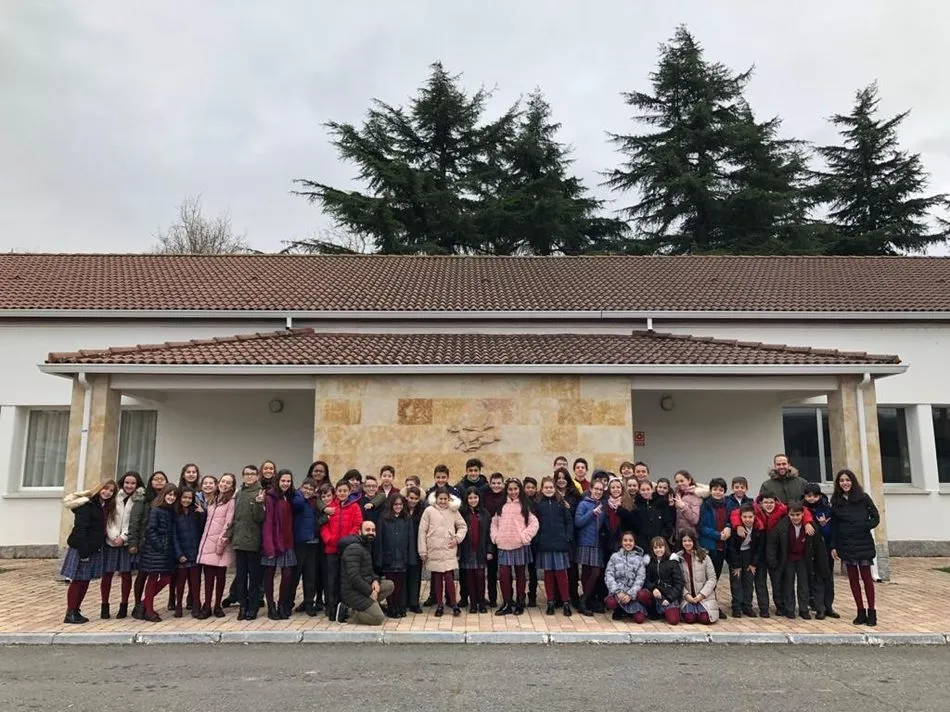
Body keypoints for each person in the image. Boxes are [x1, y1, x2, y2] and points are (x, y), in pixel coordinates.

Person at [830, 469, 881, 627]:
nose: (845, 483)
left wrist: (865, 526)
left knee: (866, 578)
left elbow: (875, 517)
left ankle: (872, 611)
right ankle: (860, 611)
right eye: (842, 481)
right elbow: (834, 526)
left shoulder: (863, 498)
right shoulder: (836, 501)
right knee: (853, 579)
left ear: (853, 481)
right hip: (846, 543)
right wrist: (834, 546)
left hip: (863, 542)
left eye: (847, 480)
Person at [767, 501, 828, 620]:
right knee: (788, 583)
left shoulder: (810, 526)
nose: (795, 517)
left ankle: (803, 609)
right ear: (788, 515)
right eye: (792, 515)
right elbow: (772, 543)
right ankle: (790, 609)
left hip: (803, 559)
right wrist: (772, 560)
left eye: (798, 515)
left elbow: (818, 545)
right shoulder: (781, 526)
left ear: (802, 514)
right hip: (788, 558)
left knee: (803, 584)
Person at [61, 481, 112, 624]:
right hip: (82, 548)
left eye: (111, 491)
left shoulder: (102, 506)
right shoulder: (87, 505)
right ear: (99, 489)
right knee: (77, 581)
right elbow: (80, 529)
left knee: (85, 580)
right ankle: (70, 612)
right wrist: (83, 552)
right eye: (105, 489)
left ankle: (76, 610)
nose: (107, 492)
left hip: (93, 548)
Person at [490, 479, 539, 616]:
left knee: (520, 575)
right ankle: (507, 602)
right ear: (507, 490)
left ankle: (520, 601)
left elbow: (534, 523)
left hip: (519, 545)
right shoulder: (501, 505)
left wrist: (525, 536)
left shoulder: (525, 505)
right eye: (510, 489)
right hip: (504, 545)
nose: (513, 492)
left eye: (515, 489)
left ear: (520, 490)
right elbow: (494, 523)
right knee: (504, 575)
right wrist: (496, 537)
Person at [418, 486, 467, 617]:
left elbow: (462, 526)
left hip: (448, 548)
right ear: (436, 498)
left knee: (449, 577)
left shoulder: (453, 511)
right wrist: (422, 550)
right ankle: (439, 604)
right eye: (441, 498)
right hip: (433, 549)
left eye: (445, 499)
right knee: (437, 578)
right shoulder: (429, 511)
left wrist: (457, 539)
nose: (443, 501)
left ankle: (454, 604)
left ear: (449, 499)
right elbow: (422, 531)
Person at [99, 471, 141, 619]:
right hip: (110, 541)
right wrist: (112, 536)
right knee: (107, 574)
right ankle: (104, 605)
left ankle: (123, 606)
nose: (129, 485)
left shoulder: (138, 500)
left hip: (126, 542)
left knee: (126, 574)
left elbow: (135, 522)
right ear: (122, 483)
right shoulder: (114, 497)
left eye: (133, 483)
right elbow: (107, 519)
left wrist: (123, 537)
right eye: (127, 482)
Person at [321, 478, 363, 619]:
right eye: (340, 491)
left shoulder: (354, 506)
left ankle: (343, 609)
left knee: (345, 581)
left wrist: (346, 541)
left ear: (349, 491)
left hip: (347, 550)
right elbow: (324, 526)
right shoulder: (330, 506)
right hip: (331, 550)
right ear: (335, 492)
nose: (342, 493)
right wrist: (329, 539)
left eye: (345, 490)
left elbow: (357, 525)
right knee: (331, 580)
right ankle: (331, 609)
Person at [337, 521, 394, 625]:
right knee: (378, 618)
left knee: (389, 585)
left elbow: (369, 570)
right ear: (359, 532)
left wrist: (375, 581)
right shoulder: (354, 548)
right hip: (352, 593)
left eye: (373, 530)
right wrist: (370, 592)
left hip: (363, 587)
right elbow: (353, 577)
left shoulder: (365, 545)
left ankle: (371, 606)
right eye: (367, 530)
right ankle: (348, 612)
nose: (371, 532)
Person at [196, 473, 236, 619]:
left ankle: (217, 605)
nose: (224, 484)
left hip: (221, 544)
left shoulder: (230, 501)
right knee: (208, 578)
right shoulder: (213, 499)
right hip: (207, 544)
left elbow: (228, 523)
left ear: (232, 486)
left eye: (228, 483)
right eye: (223, 481)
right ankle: (207, 605)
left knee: (220, 577)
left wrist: (221, 543)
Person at [128, 471, 168, 619]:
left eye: (162, 479)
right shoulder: (143, 499)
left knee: (161, 576)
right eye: (155, 479)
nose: (159, 482)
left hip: (161, 545)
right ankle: (138, 603)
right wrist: (133, 542)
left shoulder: (168, 498)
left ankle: (144, 603)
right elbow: (135, 521)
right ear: (150, 482)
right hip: (144, 543)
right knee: (142, 575)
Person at [230, 465, 266, 621]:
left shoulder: (260, 492)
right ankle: (243, 605)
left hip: (253, 542)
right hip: (239, 541)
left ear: (257, 476)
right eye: (246, 474)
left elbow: (260, 519)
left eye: (252, 474)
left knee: (254, 577)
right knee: (241, 576)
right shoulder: (239, 493)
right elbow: (234, 517)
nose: (249, 477)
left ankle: (253, 607)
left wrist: (259, 503)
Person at [138, 484, 179, 622]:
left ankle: (143, 604)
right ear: (163, 494)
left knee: (166, 578)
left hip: (166, 551)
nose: (172, 497)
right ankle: (148, 610)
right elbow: (150, 530)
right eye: (169, 494)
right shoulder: (156, 510)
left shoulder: (170, 511)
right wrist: (160, 545)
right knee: (153, 578)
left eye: (174, 495)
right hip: (155, 550)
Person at [534, 476, 573, 616]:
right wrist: (538, 539)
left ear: (554, 488)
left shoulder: (561, 503)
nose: (549, 490)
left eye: (551, 487)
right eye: (546, 487)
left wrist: (568, 537)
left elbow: (569, 521)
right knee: (548, 575)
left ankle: (565, 602)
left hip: (560, 543)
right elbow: (535, 523)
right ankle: (550, 601)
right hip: (544, 543)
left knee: (561, 574)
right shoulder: (538, 504)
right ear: (542, 489)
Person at [262, 469, 298, 620]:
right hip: (272, 541)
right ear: (278, 481)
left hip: (287, 541)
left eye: (288, 481)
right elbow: (268, 522)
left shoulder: (288, 497)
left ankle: (282, 604)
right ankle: (271, 606)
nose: (285, 483)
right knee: (269, 575)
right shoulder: (270, 497)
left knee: (287, 574)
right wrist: (269, 545)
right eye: (283, 481)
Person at [291, 477, 327, 616]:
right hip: (299, 543)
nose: (308, 491)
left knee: (310, 577)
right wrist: (300, 494)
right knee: (295, 576)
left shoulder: (315, 503)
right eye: (305, 488)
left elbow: (318, 521)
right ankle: (289, 602)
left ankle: (309, 603)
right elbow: (297, 505)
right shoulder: (297, 500)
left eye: (311, 489)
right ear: (301, 487)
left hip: (313, 544)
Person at [374, 493, 413, 618]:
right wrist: (379, 559)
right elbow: (379, 540)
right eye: (396, 504)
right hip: (388, 558)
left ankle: (399, 606)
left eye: (400, 504)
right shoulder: (383, 519)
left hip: (402, 557)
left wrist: (410, 558)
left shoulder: (407, 519)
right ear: (391, 505)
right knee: (391, 584)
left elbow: (410, 539)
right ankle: (391, 607)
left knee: (400, 584)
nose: (398, 507)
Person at [803, 482, 839, 618]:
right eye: (808, 496)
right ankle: (819, 608)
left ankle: (829, 606)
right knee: (816, 578)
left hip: (826, 547)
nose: (811, 498)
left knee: (828, 578)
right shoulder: (802, 509)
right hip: (810, 549)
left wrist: (823, 525)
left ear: (819, 496)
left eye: (814, 496)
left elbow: (832, 530)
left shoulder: (826, 508)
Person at [698, 477, 731, 619]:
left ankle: (713, 604)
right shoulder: (705, 505)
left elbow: (730, 520)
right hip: (709, 546)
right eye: (715, 489)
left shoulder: (727, 504)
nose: (718, 492)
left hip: (722, 547)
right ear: (710, 490)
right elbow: (701, 527)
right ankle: (707, 605)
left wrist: (729, 528)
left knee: (716, 578)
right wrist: (718, 535)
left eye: (721, 490)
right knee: (708, 578)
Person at [573, 479, 607, 616]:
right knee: (588, 572)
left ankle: (586, 599)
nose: (598, 492)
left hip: (597, 543)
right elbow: (578, 522)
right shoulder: (584, 504)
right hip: (586, 541)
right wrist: (592, 513)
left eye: (601, 490)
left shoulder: (603, 505)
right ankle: (584, 601)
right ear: (591, 489)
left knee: (594, 572)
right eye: (596, 489)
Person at [171, 487, 205, 618]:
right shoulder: (175, 513)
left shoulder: (195, 512)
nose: (187, 500)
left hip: (195, 552)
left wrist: (202, 514)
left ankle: (196, 605)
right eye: (184, 497)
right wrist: (179, 554)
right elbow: (173, 535)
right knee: (180, 582)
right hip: (182, 554)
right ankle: (178, 605)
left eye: (189, 498)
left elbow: (202, 530)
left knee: (195, 582)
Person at [458, 487, 491, 614]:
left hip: (480, 550)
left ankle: (481, 602)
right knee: (469, 578)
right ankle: (472, 603)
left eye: (475, 497)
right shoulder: (462, 514)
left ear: (479, 498)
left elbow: (488, 534)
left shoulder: (485, 514)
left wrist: (490, 550)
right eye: (470, 498)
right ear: (466, 499)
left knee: (480, 577)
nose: (473, 500)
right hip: (467, 550)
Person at [725, 503, 762, 618]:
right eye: (745, 517)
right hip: (736, 555)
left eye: (750, 517)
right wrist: (735, 565)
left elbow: (759, 547)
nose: (747, 519)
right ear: (740, 517)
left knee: (748, 581)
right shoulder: (736, 529)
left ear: (754, 517)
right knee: (736, 582)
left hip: (749, 555)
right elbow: (731, 547)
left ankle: (747, 606)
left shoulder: (758, 529)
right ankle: (736, 607)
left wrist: (753, 564)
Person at [638, 536, 684, 625]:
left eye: (660, 547)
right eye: (655, 548)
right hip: (656, 594)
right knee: (642, 594)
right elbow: (646, 580)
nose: (658, 550)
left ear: (665, 547)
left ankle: (666, 611)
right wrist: (653, 588)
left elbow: (679, 583)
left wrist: (670, 598)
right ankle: (653, 612)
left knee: (674, 621)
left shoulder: (672, 562)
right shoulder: (650, 562)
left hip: (669, 594)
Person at [604, 531, 648, 623]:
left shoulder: (639, 559)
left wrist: (630, 594)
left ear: (634, 543)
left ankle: (631, 610)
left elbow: (640, 579)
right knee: (610, 602)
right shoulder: (614, 557)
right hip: (618, 593)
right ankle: (619, 609)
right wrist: (618, 592)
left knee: (639, 620)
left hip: (632, 594)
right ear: (621, 542)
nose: (628, 543)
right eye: (625, 540)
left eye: (630, 541)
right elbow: (609, 575)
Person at [677, 528, 719, 625]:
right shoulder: (677, 558)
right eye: (684, 541)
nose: (687, 543)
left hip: (704, 597)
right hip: (687, 597)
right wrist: (686, 595)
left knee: (705, 619)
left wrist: (701, 595)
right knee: (689, 619)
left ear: (694, 541)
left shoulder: (704, 556)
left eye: (690, 540)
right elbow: (677, 581)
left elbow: (712, 579)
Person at [479, 472, 507, 608]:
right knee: (488, 570)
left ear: (503, 484)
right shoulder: (485, 495)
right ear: (489, 484)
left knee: (500, 571)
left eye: (499, 483)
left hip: (503, 536)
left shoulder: (507, 496)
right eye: (494, 483)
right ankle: (490, 598)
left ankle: (505, 598)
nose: (496, 486)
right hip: (486, 535)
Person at [631, 479, 674, 546]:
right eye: (643, 490)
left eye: (648, 489)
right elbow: (634, 527)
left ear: (652, 490)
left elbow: (668, 523)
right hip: (643, 544)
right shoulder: (636, 506)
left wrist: (663, 537)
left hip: (660, 544)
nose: (646, 492)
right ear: (639, 491)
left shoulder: (661, 503)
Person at [404, 486, 425, 613]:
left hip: (417, 546)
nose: (413, 501)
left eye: (416, 499)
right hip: (404, 546)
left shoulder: (422, 511)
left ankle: (414, 602)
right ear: (407, 497)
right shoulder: (402, 509)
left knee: (415, 576)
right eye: (411, 498)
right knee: (404, 574)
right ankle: (404, 601)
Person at [672, 471, 705, 542]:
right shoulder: (677, 494)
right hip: (679, 536)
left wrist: (683, 507)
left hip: (690, 537)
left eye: (682, 481)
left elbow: (695, 520)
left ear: (689, 480)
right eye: (677, 482)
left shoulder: (695, 496)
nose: (679, 484)